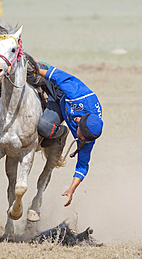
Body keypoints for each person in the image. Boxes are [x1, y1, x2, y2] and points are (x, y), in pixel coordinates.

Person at [34, 63, 103, 207]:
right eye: (82, 136)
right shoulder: (79, 96)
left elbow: (82, 166)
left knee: (44, 128)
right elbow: (60, 77)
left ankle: (61, 133)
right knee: (23, 70)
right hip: (58, 89)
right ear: (78, 122)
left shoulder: (88, 136)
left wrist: (72, 189)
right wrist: (36, 70)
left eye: (84, 139)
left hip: (59, 104)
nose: (81, 140)